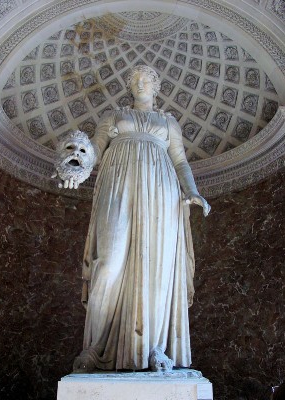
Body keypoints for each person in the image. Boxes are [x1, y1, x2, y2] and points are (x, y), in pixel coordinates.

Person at [59, 65, 210, 372]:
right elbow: (93, 152)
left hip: (161, 192)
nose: (140, 83)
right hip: (117, 186)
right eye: (135, 80)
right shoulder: (113, 117)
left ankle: (153, 348)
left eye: (146, 80)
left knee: (156, 269)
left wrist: (192, 191)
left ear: (156, 87)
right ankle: (94, 347)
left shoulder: (168, 122)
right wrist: (74, 167)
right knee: (108, 265)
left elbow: (180, 160)